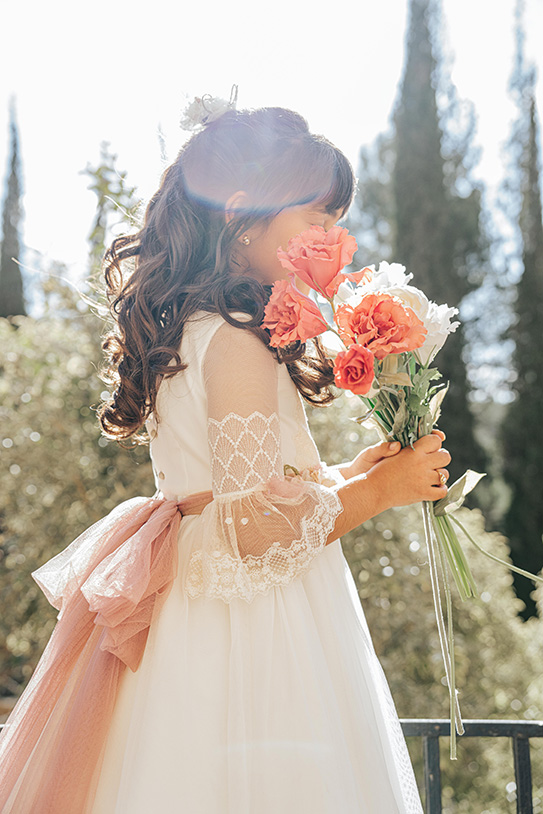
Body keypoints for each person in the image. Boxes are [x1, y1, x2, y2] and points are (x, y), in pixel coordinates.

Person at [0, 100, 450, 813]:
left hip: (196, 614)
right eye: (316, 219)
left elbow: (231, 491)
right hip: (252, 628)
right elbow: (248, 529)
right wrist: (383, 491)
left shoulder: (193, 328)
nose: (331, 238)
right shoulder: (237, 340)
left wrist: (348, 473)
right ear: (242, 214)